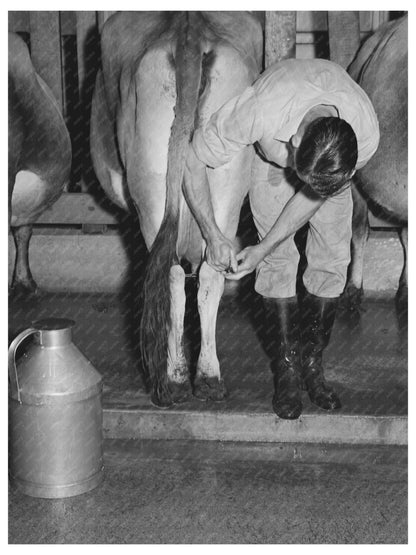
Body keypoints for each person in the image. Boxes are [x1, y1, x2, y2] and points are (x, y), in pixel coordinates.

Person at [184, 58, 379, 420]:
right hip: (271, 162)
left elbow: (314, 194)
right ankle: (287, 373)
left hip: (325, 169)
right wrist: (213, 234)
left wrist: (264, 244)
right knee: (277, 262)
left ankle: (312, 366)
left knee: (334, 258)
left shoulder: (364, 132)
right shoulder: (258, 110)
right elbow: (192, 159)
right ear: (295, 140)